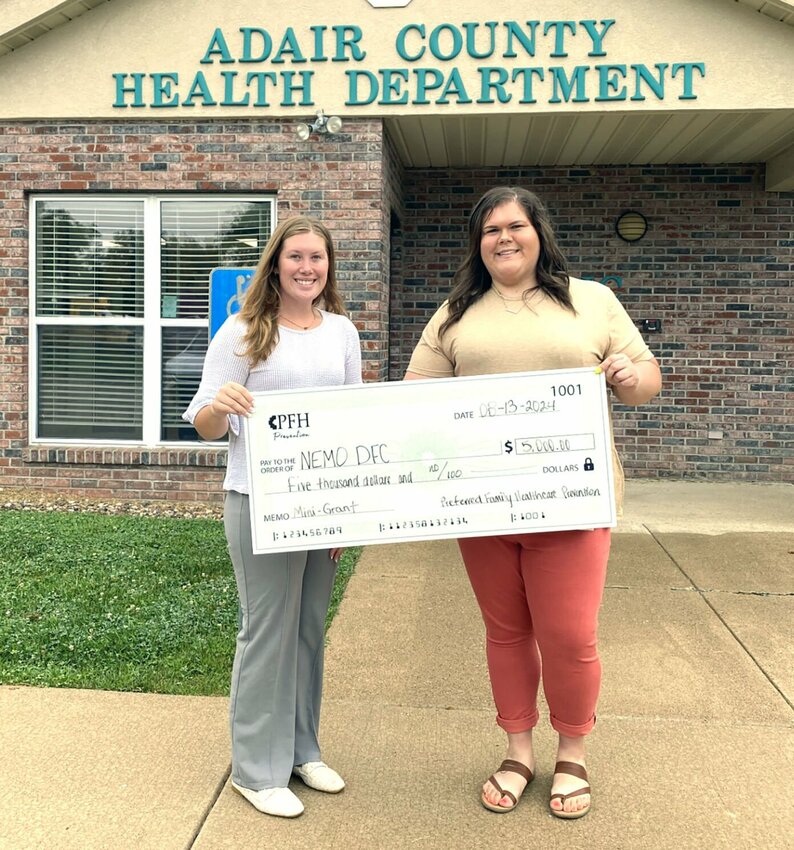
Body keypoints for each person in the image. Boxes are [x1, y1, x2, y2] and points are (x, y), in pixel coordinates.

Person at [405, 187, 661, 819]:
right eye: (490, 230)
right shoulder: (455, 313)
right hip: (484, 504)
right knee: (507, 633)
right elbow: (415, 399)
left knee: (570, 634)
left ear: (538, 233)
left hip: (572, 499)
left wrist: (630, 377)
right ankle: (518, 748)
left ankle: (572, 751)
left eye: (515, 226)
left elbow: (646, 383)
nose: (503, 238)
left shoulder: (591, 300)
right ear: (477, 243)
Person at [183, 216, 362, 819]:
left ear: (329, 266)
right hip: (257, 501)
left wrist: (347, 513)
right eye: (296, 258)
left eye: (318, 258)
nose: (307, 267)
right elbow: (207, 425)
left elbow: (351, 420)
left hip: (321, 501)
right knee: (267, 631)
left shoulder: (341, 332)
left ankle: (300, 748)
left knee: (310, 627)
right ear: (276, 266)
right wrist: (220, 406)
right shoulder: (242, 333)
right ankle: (255, 768)